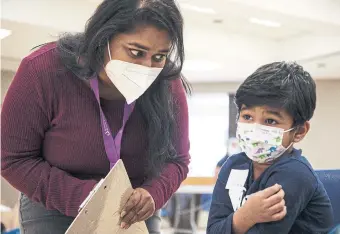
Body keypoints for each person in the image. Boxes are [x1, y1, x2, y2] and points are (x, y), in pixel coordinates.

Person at [1, 1, 190, 233]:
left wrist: (153, 193)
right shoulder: (43, 70)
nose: (147, 67)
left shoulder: (167, 83)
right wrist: (85, 196)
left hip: (133, 205)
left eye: (160, 56)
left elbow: (177, 160)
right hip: (55, 202)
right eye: (136, 52)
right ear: (103, 38)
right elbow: (12, 159)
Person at [207, 62, 334, 234]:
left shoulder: (295, 173)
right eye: (247, 116)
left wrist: (235, 222)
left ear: (299, 131)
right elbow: (213, 230)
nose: (255, 128)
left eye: (270, 121)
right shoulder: (233, 165)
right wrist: (245, 216)